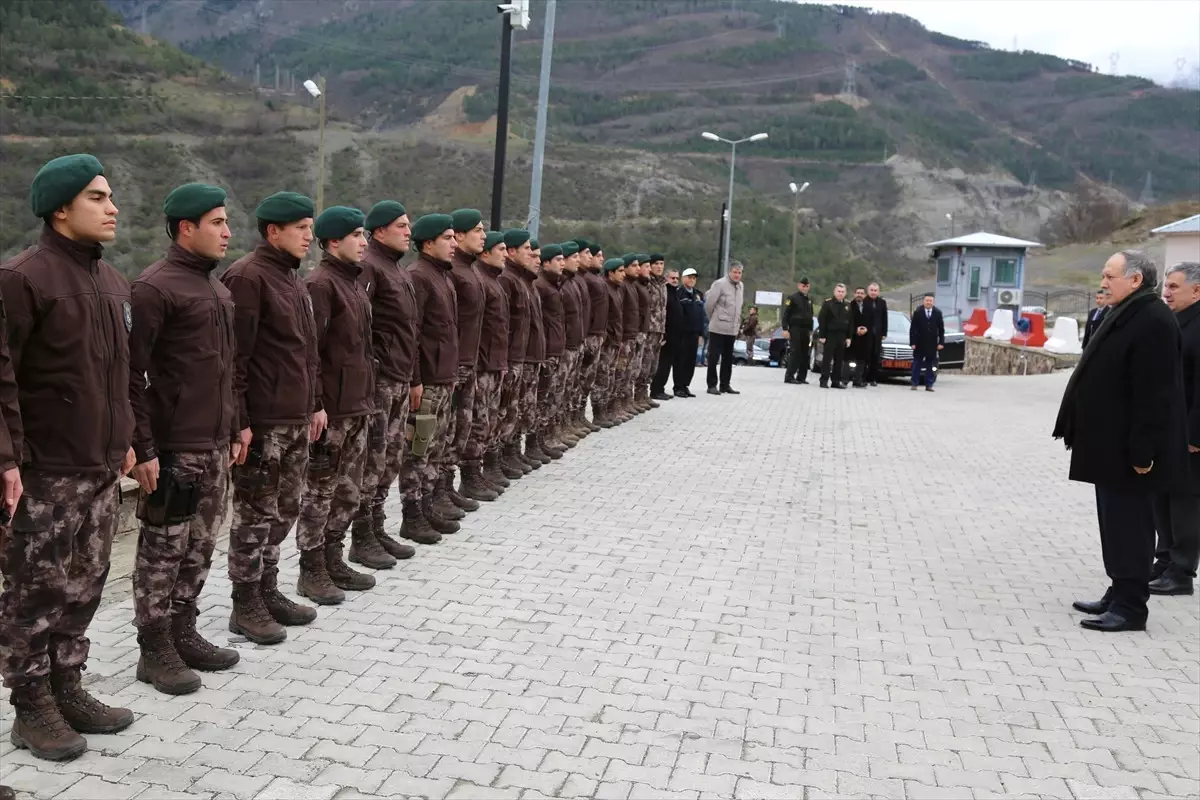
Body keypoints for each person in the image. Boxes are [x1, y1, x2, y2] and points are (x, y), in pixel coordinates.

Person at [0, 154, 137, 761]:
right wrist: (6, 460)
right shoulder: (23, 278)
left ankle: (66, 685)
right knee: (35, 592)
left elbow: (121, 373)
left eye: (110, 197)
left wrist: (128, 436)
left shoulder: (111, 282)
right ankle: (30, 708)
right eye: (97, 198)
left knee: (85, 585)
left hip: (100, 465)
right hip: (47, 471)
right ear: (60, 208)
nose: (112, 208)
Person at [128, 183, 240, 696]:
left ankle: (183, 630)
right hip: (175, 448)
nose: (227, 232)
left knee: (200, 545)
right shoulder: (155, 288)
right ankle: (153, 649)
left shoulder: (217, 289)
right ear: (185, 227)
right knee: (162, 550)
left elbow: (228, 368)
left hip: (215, 442)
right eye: (217, 222)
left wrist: (237, 423)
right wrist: (144, 447)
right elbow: (132, 374)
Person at [1054, 250, 1189, 632]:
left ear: (1135, 280)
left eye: (1110, 275)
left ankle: (1131, 607)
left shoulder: (1154, 321)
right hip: (1110, 447)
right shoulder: (1127, 311)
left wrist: (1142, 452)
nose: (1103, 282)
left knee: (1131, 527)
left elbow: (1155, 394)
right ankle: (1119, 589)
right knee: (1114, 525)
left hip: (1132, 454)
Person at [222, 191, 321, 644]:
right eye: (300, 228)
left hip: (296, 416)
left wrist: (315, 404)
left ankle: (267, 587)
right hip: (264, 421)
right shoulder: (248, 277)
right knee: (255, 513)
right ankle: (245, 603)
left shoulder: (293, 279)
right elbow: (234, 359)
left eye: (310, 227)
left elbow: (307, 353)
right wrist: (240, 420)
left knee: (285, 507)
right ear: (272, 231)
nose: (309, 236)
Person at [295, 206, 379, 606]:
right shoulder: (321, 285)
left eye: (364, 235)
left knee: (348, 491)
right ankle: (311, 570)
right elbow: (313, 353)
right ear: (333, 242)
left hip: (357, 404)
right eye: (357, 235)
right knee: (320, 492)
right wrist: (317, 404)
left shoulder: (354, 283)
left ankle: (334, 557)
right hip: (333, 410)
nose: (364, 243)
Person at [356, 201, 423, 554]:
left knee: (392, 456)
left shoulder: (396, 269)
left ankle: (377, 525)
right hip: (380, 382)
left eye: (408, 225)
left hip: (399, 377)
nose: (408, 232)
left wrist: (413, 377)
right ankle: (362, 535)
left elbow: (409, 330)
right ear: (379, 231)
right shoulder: (370, 267)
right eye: (401, 226)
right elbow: (362, 329)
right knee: (374, 459)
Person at [400, 214, 462, 539]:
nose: (454, 244)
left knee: (436, 448)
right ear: (428, 243)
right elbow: (413, 334)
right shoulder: (419, 277)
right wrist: (416, 379)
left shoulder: (443, 277)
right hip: (427, 382)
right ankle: (411, 516)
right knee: (418, 450)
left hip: (444, 378)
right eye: (448, 238)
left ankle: (427, 508)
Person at [1150, 262, 1200, 596]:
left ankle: (1182, 570)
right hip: (1166, 430)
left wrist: (1195, 434)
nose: (1166, 292)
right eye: (1165, 286)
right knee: (1161, 497)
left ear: (1197, 290)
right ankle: (1164, 559)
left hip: (1189, 433)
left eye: (1174, 287)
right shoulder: (1174, 320)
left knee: (1185, 502)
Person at [440, 209, 488, 513]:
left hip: (470, 362)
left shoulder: (471, 270)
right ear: (458, 236)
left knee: (461, 429)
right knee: (445, 433)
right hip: (453, 365)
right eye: (478, 231)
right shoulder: (454, 272)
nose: (483, 235)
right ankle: (439, 492)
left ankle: (449, 485)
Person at [465, 232, 509, 498]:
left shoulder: (493, 281)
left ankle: (483, 469)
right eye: (500, 249)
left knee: (490, 420)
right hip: (479, 364)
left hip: (494, 362)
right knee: (475, 424)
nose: (504, 253)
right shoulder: (478, 278)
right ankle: (470, 476)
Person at [497, 230, 535, 475]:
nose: (532, 255)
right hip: (507, 359)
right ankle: (496, 462)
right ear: (512, 252)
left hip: (521, 356)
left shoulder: (521, 279)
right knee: (502, 413)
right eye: (527, 249)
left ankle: (511, 453)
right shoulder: (507, 279)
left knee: (516, 410)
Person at [533, 244, 567, 460]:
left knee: (551, 398)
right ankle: (534, 442)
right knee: (540, 400)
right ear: (547, 263)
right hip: (545, 352)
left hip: (556, 348)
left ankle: (541, 439)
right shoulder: (541, 286)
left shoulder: (555, 285)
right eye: (559, 260)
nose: (562, 263)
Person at [557, 241, 591, 443]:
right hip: (563, 346)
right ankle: (553, 432)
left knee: (570, 388)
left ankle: (567, 423)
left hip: (576, 341)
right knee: (556, 394)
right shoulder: (557, 285)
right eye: (574, 257)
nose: (577, 260)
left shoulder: (573, 282)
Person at [578, 242, 608, 431]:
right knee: (580, 380)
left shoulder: (590, 279)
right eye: (591, 254)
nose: (598, 258)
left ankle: (578, 416)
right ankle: (574, 418)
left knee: (588, 379)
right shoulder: (586, 279)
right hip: (587, 335)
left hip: (597, 333)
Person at [595, 257, 627, 425]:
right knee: (602, 377)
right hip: (608, 341)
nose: (624, 274)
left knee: (611, 376)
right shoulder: (606, 289)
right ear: (610, 273)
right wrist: (607, 336)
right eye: (620, 271)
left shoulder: (617, 289)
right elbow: (604, 316)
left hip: (615, 339)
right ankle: (598, 413)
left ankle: (607, 410)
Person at [705, 261, 746, 395]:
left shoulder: (740, 286)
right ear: (729, 272)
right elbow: (709, 304)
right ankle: (712, 385)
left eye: (739, 273)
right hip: (718, 327)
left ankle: (725, 384)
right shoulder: (719, 284)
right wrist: (714, 319)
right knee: (714, 357)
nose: (737, 275)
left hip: (732, 329)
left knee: (728, 358)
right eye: (734, 272)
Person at [652, 268, 682, 401]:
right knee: (662, 364)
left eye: (676, 278)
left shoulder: (675, 293)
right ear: (666, 278)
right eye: (672, 278)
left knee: (667, 364)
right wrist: (663, 334)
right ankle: (656, 389)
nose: (675, 280)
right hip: (666, 335)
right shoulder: (665, 292)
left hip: (675, 336)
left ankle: (661, 388)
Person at [674, 268, 705, 397]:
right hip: (682, 333)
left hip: (694, 333)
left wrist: (701, 334)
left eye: (694, 278)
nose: (692, 280)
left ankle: (686, 385)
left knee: (690, 361)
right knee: (680, 360)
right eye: (689, 277)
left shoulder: (698, 294)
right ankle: (678, 386)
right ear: (683, 278)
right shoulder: (679, 293)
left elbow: (701, 316)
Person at [817, 284, 850, 389]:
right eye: (838, 291)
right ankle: (824, 380)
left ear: (845, 293)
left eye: (842, 292)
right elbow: (822, 319)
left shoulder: (848, 304)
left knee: (839, 360)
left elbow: (851, 322)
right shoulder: (828, 303)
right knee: (827, 359)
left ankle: (836, 381)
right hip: (830, 334)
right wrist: (822, 335)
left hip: (842, 335)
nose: (840, 293)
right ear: (834, 292)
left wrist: (849, 337)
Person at [909, 293, 944, 392]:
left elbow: (941, 329)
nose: (928, 302)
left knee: (931, 366)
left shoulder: (938, 313)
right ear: (924, 301)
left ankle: (929, 384)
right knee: (917, 364)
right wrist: (912, 343)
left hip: (932, 343)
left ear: (933, 302)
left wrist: (941, 342)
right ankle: (914, 383)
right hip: (919, 343)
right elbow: (913, 329)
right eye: (927, 300)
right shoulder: (918, 312)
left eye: (930, 301)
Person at [782, 278, 814, 384]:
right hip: (795, 328)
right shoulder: (792, 298)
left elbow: (811, 315)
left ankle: (801, 377)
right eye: (803, 286)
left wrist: (810, 330)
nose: (805, 288)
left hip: (805, 330)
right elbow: (786, 314)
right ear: (799, 286)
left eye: (807, 286)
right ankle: (789, 376)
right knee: (795, 352)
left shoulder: (809, 299)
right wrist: (785, 329)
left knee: (805, 353)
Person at [864, 283, 889, 386]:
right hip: (866, 334)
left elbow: (884, 318)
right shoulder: (864, 302)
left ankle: (873, 379)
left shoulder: (882, 303)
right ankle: (864, 377)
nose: (873, 292)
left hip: (877, 335)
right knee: (866, 357)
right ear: (868, 291)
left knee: (876, 357)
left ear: (878, 292)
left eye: (875, 290)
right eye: (872, 290)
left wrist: (884, 332)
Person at [848, 287, 872, 388]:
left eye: (861, 293)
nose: (859, 295)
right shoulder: (849, 306)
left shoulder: (868, 306)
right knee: (848, 359)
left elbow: (872, 321)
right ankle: (845, 379)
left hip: (864, 337)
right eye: (857, 293)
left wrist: (867, 329)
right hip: (853, 336)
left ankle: (858, 380)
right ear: (854, 294)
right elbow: (848, 321)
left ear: (865, 295)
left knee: (861, 360)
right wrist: (855, 330)